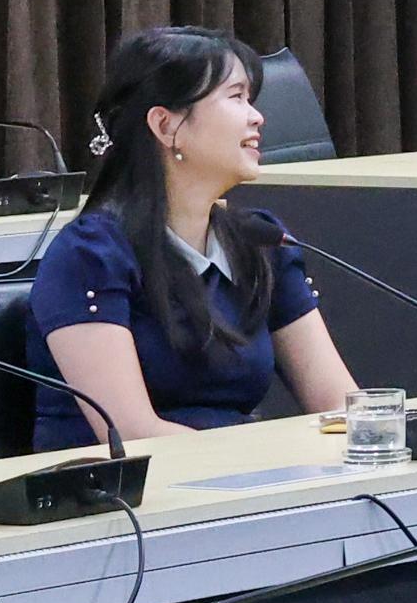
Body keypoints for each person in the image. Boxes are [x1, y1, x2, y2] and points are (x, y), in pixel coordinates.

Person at [26, 27, 359, 449]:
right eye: (236, 97)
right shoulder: (91, 254)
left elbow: (339, 404)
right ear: (166, 126)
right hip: (127, 485)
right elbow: (133, 435)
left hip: (236, 473)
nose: (257, 117)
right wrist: (268, 460)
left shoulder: (261, 243)